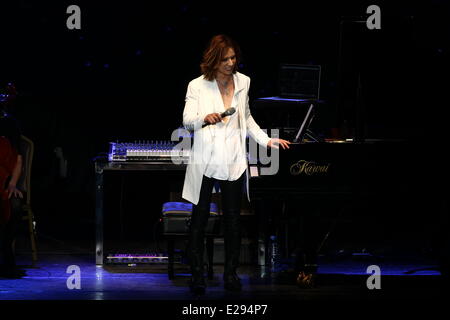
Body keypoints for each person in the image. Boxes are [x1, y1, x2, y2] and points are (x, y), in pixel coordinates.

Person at [181, 34, 290, 294]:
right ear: (214, 60)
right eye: (225, 59)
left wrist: (266, 141)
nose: (231, 62)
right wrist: (204, 119)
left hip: (233, 159)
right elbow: (187, 121)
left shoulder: (244, 82)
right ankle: (197, 275)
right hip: (206, 160)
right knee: (199, 219)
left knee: (232, 220)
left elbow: (247, 118)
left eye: (233, 57)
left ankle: (230, 274)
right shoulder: (197, 86)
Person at [0, 82, 26, 279]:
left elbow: (17, 158)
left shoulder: (9, 123)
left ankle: (7, 260)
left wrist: (12, 184)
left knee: (15, 204)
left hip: (5, 180)